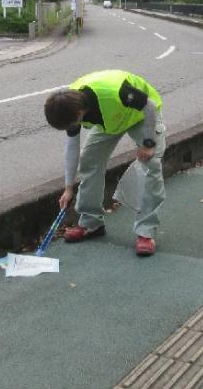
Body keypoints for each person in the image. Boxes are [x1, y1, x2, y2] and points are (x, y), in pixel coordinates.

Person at [44, 70, 166, 257]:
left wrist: (149, 143)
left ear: (79, 114)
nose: (71, 129)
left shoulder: (118, 92)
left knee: (151, 166)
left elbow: (148, 106)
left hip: (142, 116)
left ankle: (146, 233)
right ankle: (91, 223)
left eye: (71, 124)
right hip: (111, 120)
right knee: (90, 161)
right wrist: (68, 187)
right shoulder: (69, 106)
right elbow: (72, 149)